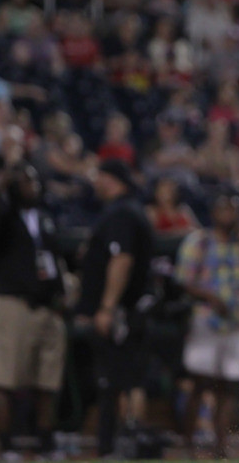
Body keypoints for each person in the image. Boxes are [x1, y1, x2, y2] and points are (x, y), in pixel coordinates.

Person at [0, 163, 67, 459]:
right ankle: (6, 444)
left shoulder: (44, 219)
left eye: (35, 180)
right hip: (14, 305)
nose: (35, 186)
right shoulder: (4, 217)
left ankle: (44, 442)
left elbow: (53, 262)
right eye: (27, 181)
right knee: (5, 380)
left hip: (48, 310)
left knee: (48, 382)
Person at [74, 158, 155, 457]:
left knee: (119, 381)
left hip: (122, 313)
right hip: (131, 311)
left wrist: (107, 307)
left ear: (111, 179)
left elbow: (122, 260)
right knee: (127, 380)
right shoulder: (130, 210)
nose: (95, 183)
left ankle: (124, 444)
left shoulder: (121, 212)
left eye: (100, 177)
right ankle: (128, 443)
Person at [176, 192, 239, 455]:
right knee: (200, 383)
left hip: (235, 323)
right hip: (206, 321)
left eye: (233, 210)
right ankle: (189, 444)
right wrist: (211, 297)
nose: (229, 216)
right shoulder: (199, 242)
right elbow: (183, 280)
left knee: (227, 386)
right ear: (213, 213)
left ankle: (219, 446)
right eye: (224, 210)